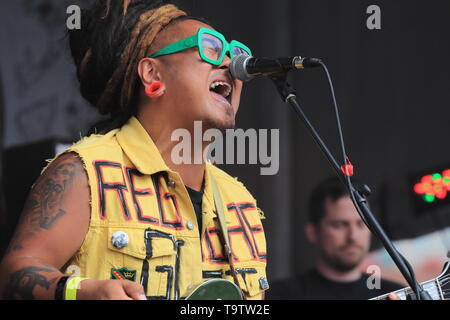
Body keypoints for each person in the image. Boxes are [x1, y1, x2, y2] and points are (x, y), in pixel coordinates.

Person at [0, 0, 267, 300]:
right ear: (153, 75)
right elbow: (15, 272)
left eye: (234, 54)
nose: (231, 65)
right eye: (212, 48)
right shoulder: (86, 173)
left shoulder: (240, 203)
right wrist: (83, 291)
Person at [268, 177, 402, 300]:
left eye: (361, 224)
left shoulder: (395, 293)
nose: (352, 236)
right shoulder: (279, 295)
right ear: (313, 232)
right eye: (339, 225)